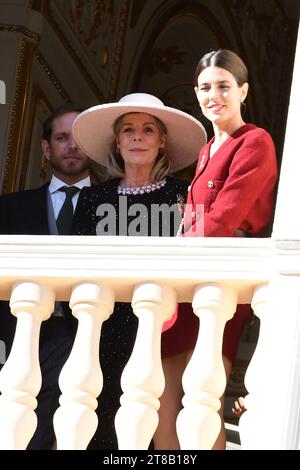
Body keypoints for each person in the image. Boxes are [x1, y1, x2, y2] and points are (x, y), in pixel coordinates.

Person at [157, 49, 278, 450]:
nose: (215, 95)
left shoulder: (255, 140)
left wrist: (172, 259)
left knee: (200, 398)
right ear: (196, 92)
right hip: (187, 280)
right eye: (206, 87)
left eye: (224, 86)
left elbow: (224, 219)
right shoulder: (207, 149)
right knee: (163, 397)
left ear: (243, 90)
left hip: (218, 280)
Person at [71, 92, 207, 449]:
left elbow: (200, 262)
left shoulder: (184, 196)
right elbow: (75, 267)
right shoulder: (92, 200)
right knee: (95, 423)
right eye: (128, 129)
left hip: (162, 330)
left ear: (162, 142)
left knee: (150, 428)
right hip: (100, 329)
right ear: (117, 141)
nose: (137, 136)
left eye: (148, 130)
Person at [0, 103, 95, 449]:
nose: (71, 146)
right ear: (46, 148)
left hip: (94, 339)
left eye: (79, 139)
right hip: (25, 342)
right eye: (61, 137)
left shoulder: (115, 208)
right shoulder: (10, 209)